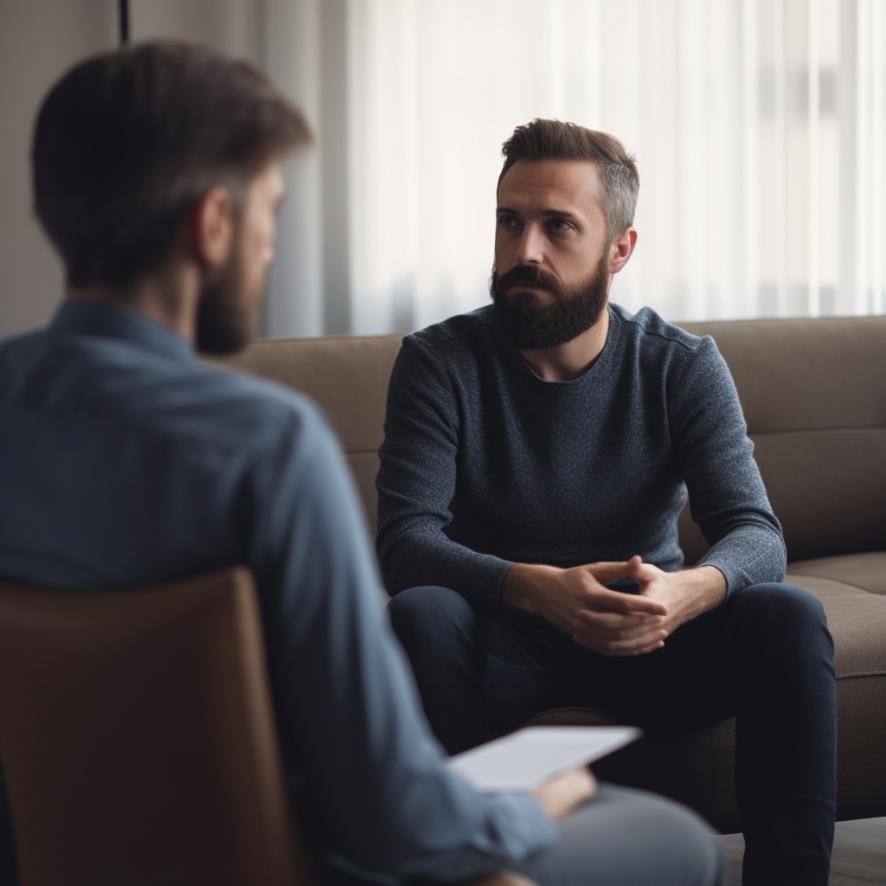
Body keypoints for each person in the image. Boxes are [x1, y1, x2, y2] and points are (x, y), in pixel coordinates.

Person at [0, 45, 721, 886]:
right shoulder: (264, 447)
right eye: (270, 212)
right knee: (678, 842)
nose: (271, 250)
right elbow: (398, 818)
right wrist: (534, 802)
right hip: (289, 857)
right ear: (213, 224)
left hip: (65, 857)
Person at [378, 119, 837, 886]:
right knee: (423, 613)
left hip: (648, 636)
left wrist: (687, 593)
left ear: (620, 249)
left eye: (558, 226)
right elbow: (405, 541)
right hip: (505, 644)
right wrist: (534, 587)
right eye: (510, 222)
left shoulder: (680, 365)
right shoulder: (439, 362)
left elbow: (754, 532)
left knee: (789, 616)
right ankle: (469, 871)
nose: (526, 250)